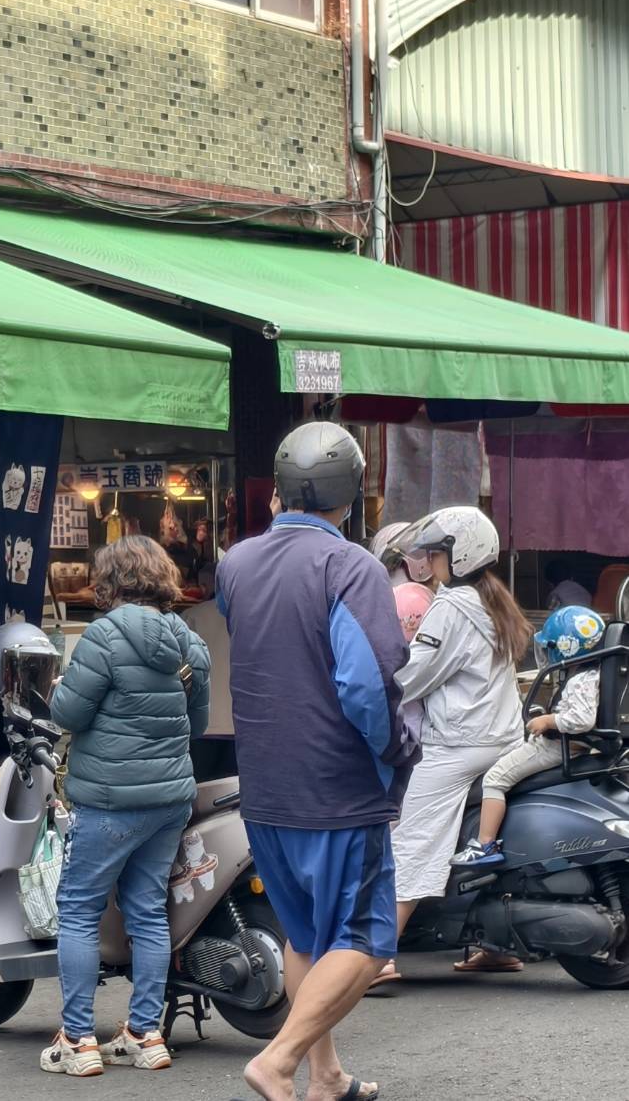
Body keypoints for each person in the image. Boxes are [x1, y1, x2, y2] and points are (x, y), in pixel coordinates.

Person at [216, 421, 417, 1101]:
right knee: (365, 941)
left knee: (306, 937)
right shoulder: (350, 566)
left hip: (264, 783)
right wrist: (395, 751)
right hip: (337, 787)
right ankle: (277, 1061)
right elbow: (367, 686)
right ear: (351, 498)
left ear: (277, 493)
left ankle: (324, 1075)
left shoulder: (235, 564)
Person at [39, 536, 210, 1079]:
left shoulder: (102, 637)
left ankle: (78, 1039)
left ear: (110, 581)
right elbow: (197, 725)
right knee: (148, 911)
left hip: (110, 800)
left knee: (79, 910)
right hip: (169, 799)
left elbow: (67, 715)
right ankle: (145, 1034)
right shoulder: (189, 642)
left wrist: (61, 688)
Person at [384, 506, 532, 982]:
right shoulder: (492, 600)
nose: (429, 561)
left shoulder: (451, 607)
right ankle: (495, 943)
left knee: (411, 838)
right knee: (475, 836)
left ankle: (379, 956)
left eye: (436, 553)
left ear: (460, 555)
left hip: (461, 743)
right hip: (502, 737)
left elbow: (411, 676)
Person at [453, 606, 606, 868]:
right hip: (574, 745)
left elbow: (581, 719)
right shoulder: (593, 673)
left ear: (566, 647)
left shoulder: (580, 679)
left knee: (495, 779)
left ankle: (485, 845)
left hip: (556, 746)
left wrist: (548, 720)